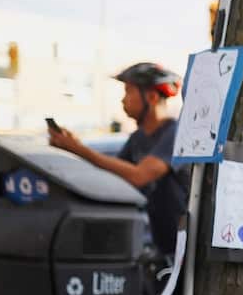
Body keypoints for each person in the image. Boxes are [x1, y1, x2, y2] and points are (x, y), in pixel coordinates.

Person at [49, 62, 189, 258]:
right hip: (157, 246)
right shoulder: (137, 139)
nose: (123, 100)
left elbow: (139, 176)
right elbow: (113, 176)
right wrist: (74, 147)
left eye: (129, 92)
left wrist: (79, 149)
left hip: (182, 251)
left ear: (152, 97)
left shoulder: (174, 134)